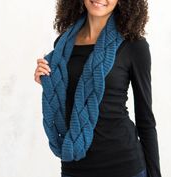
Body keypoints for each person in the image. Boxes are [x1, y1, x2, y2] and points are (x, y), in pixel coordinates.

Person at [34, 0, 161, 177]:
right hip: (75, 165)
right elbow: (68, 104)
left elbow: (145, 119)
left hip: (124, 166)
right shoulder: (62, 45)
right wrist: (48, 81)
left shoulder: (134, 45)